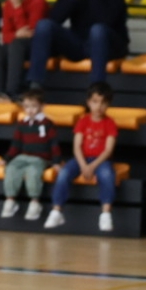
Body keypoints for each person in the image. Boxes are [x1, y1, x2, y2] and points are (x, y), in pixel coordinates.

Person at [44, 81, 119, 233]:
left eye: (103, 103)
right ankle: (57, 210)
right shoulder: (83, 121)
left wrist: (92, 166)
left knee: (107, 175)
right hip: (81, 159)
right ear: (88, 102)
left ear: (109, 104)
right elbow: (77, 146)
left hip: (100, 160)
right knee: (64, 173)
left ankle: (105, 213)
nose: (99, 106)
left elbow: (108, 150)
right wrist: (84, 164)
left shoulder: (110, 123)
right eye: (95, 102)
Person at [0, 86, 61, 221]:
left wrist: (56, 162)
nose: (30, 110)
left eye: (33, 106)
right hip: (23, 156)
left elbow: (54, 145)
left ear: (42, 106)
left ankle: (35, 202)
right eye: (27, 107)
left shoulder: (48, 124)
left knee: (33, 172)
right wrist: (6, 159)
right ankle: (10, 200)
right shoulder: (22, 124)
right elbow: (15, 145)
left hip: (40, 158)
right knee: (11, 169)